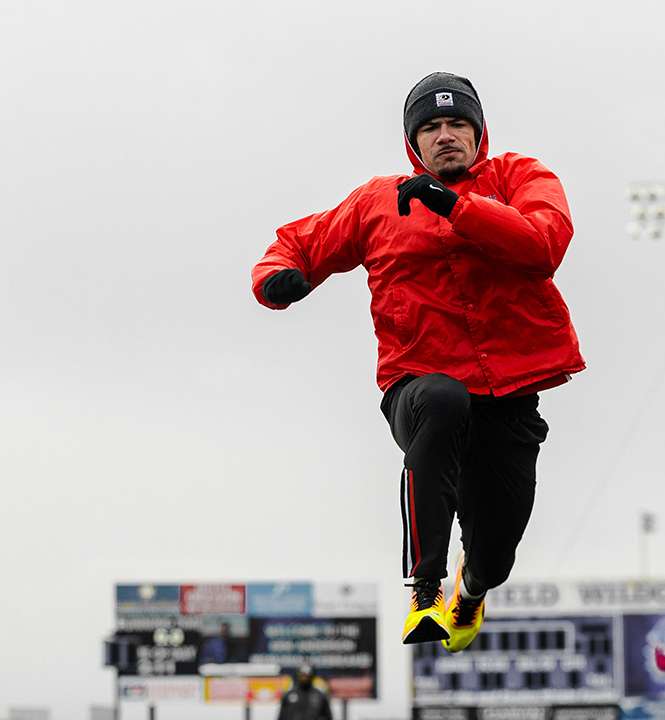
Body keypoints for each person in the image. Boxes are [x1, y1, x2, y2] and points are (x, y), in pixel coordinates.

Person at [251, 72, 585, 653]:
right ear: (413, 142)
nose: (445, 135)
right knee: (441, 397)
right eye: (431, 127)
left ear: (479, 133)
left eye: (457, 123)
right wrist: (275, 279)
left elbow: (544, 244)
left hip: (507, 397)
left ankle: (470, 590)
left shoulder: (521, 177)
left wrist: (458, 207)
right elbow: (296, 243)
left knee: (496, 557)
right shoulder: (378, 201)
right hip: (417, 386)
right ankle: (424, 587)